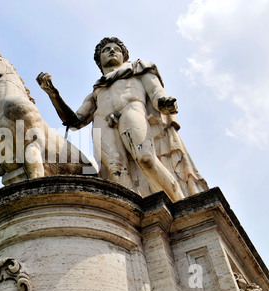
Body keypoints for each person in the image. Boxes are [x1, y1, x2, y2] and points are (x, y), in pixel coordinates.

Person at [37, 37, 207, 202]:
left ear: (124, 55)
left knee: (146, 159)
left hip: (131, 110)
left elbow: (156, 92)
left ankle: (179, 202)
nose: (112, 51)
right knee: (116, 173)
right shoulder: (97, 91)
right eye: (106, 50)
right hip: (103, 122)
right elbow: (75, 121)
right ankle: (138, 217)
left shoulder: (138, 69)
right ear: (99, 60)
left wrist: (164, 102)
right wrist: (54, 94)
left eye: (116, 49)